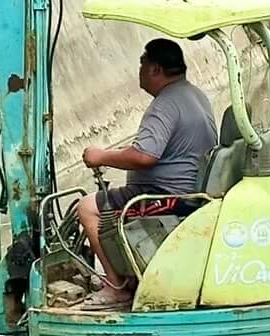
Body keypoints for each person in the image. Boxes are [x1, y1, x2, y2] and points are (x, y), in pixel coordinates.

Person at [75, 36, 218, 309]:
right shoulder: (194, 94)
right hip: (190, 190)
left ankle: (115, 286)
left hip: (168, 195)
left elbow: (144, 156)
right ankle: (130, 274)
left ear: (155, 69)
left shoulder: (166, 104)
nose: (139, 70)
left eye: (142, 64)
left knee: (87, 208)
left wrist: (101, 156)